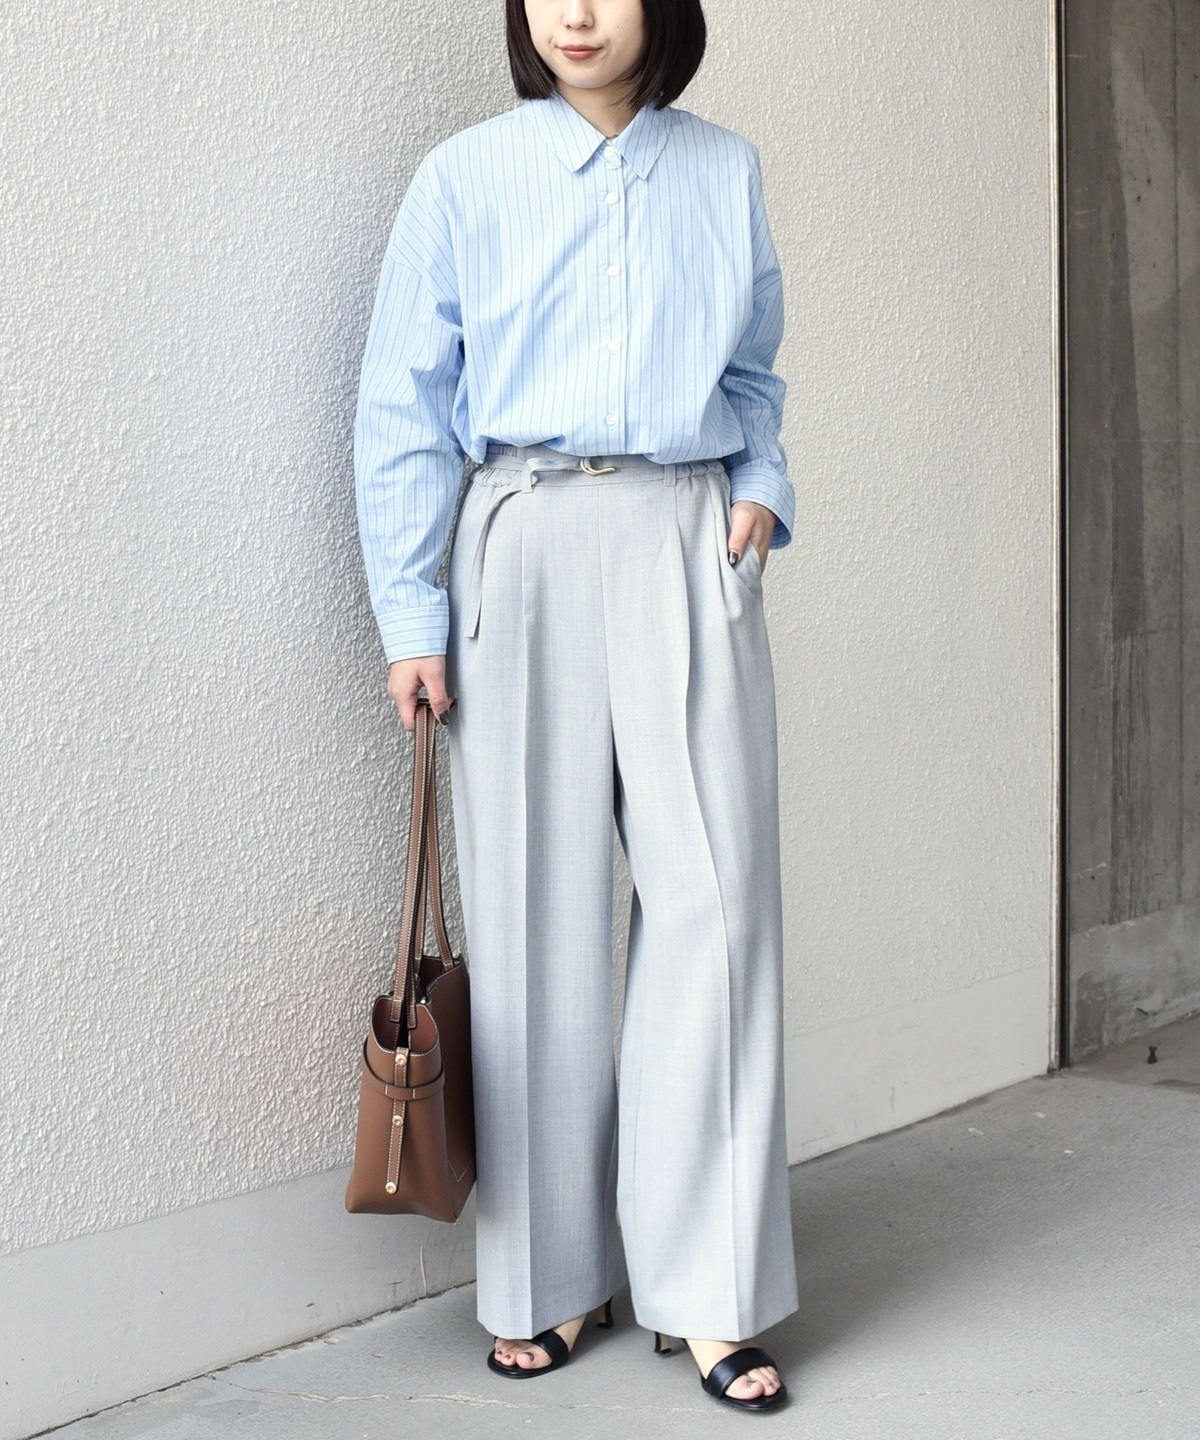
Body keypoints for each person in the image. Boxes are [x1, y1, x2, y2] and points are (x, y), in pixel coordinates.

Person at [354, 0, 800, 1414]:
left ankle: (710, 1292)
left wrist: (760, 489)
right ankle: (550, 1280)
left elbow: (753, 372)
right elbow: (403, 405)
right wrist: (412, 615)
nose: (579, 12)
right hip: (523, 538)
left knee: (717, 911)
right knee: (532, 925)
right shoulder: (464, 178)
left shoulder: (723, 169)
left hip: (683, 537)